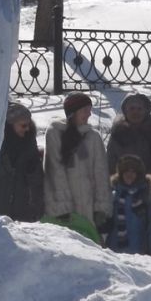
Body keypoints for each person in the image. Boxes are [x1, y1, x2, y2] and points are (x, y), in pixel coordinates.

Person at [44, 92, 110, 241]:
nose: (89, 114)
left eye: (90, 109)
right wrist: (61, 208)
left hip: (88, 207)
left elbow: (101, 175)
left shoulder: (93, 137)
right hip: (64, 212)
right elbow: (54, 172)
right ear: (73, 113)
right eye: (85, 110)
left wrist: (101, 209)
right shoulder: (55, 133)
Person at [0, 102, 44, 222]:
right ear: (10, 125)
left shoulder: (29, 143)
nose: (27, 129)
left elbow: (38, 181)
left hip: (22, 211)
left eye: (28, 125)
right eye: (23, 125)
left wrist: (32, 170)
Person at [105, 154, 150, 254]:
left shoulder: (145, 195)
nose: (129, 174)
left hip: (139, 246)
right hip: (116, 246)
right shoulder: (114, 194)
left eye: (133, 171)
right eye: (126, 171)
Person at [105, 92, 151, 176]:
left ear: (146, 111)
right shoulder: (118, 133)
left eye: (139, 109)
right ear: (125, 111)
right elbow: (111, 162)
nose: (136, 112)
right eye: (132, 108)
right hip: (124, 184)